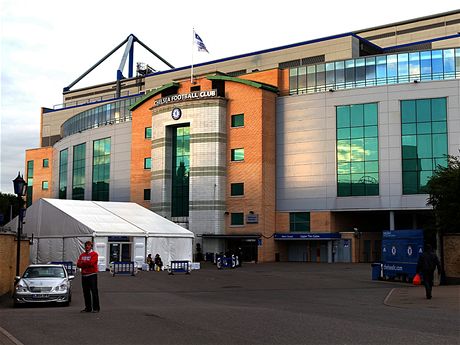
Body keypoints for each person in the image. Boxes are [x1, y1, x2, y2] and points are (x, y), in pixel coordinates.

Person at [77, 241, 100, 312]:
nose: (87, 247)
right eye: (86, 245)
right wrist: (85, 263)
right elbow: (78, 264)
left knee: (94, 292)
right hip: (84, 276)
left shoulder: (94, 254)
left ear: (91, 246)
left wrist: (83, 263)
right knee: (86, 292)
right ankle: (88, 308)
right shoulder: (82, 255)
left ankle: (96, 308)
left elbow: (91, 263)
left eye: (88, 245)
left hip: (92, 275)